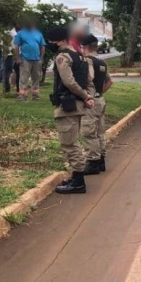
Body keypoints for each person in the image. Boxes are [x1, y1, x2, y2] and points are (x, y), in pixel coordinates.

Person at [46, 27, 97, 194]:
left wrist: (84, 96)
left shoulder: (63, 57)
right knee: (72, 141)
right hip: (77, 106)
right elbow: (90, 81)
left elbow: (69, 82)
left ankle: (78, 181)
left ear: (60, 40)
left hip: (68, 106)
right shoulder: (80, 56)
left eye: (51, 41)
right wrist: (89, 97)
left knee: (69, 143)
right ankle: (76, 177)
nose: (49, 44)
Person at [80, 34, 113, 173]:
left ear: (84, 47)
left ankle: (93, 161)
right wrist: (99, 93)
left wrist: (89, 96)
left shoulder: (86, 62)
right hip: (100, 100)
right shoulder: (102, 63)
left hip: (90, 101)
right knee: (99, 132)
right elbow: (109, 82)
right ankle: (101, 160)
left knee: (88, 132)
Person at [13, 17, 46, 101]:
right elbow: (16, 46)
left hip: (37, 60)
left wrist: (41, 58)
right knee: (24, 79)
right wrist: (18, 58)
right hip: (24, 59)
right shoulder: (20, 33)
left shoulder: (38, 33)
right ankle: (22, 96)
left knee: (36, 78)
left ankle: (35, 96)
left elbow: (42, 47)